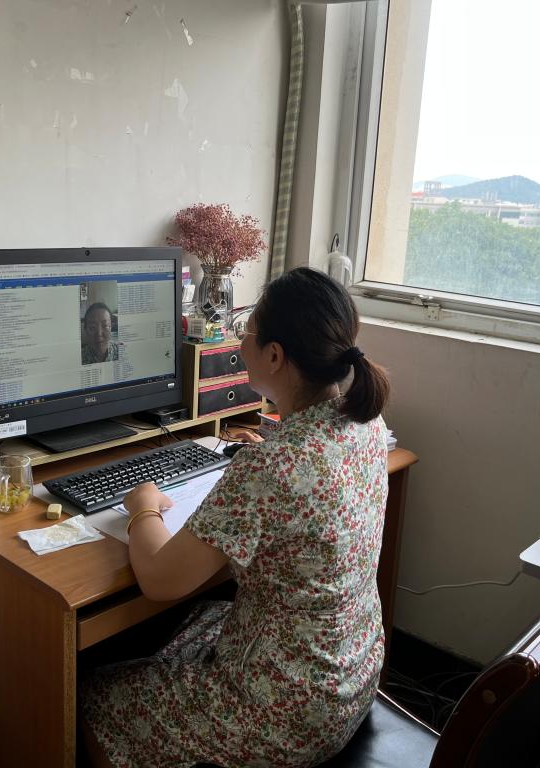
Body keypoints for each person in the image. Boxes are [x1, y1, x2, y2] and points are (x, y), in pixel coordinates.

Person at [80, 267, 392, 768]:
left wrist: (142, 507)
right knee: (199, 618)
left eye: (247, 330)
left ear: (275, 355)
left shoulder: (274, 466)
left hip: (286, 715)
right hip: (350, 679)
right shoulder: (366, 423)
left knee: (94, 694)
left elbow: (160, 579)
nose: (239, 340)